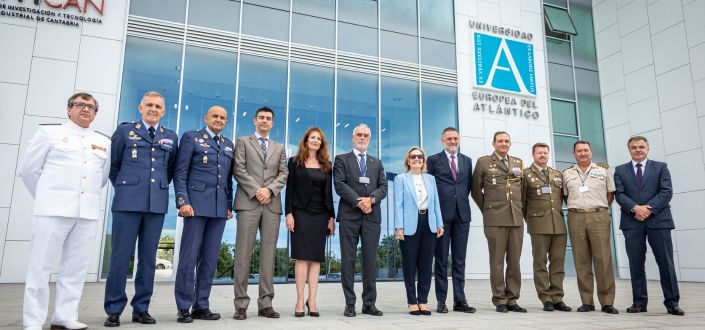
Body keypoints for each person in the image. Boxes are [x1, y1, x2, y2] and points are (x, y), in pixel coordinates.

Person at [18, 93, 110, 330]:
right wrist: (47, 196)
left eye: (90, 107)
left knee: (75, 268)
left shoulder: (103, 142)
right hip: (52, 210)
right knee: (40, 267)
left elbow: (102, 177)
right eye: (80, 105)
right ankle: (33, 321)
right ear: (69, 109)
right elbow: (28, 170)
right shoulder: (49, 134)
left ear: (95, 113)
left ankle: (64, 316)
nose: (85, 109)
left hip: (86, 212)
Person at [104, 91, 179, 327]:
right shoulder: (125, 131)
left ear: (164, 111)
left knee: (148, 259)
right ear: (140, 107)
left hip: (155, 205)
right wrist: (128, 188)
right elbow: (113, 167)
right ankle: (114, 309)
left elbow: (170, 170)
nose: (153, 109)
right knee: (120, 258)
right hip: (127, 203)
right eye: (149, 105)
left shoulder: (170, 137)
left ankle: (141, 308)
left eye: (158, 106)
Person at [173, 106, 235, 322]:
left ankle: (201, 305)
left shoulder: (228, 145)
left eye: (222, 118)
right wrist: (183, 201)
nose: (218, 120)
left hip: (218, 210)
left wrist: (229, 205)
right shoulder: (191, 138)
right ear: (206, 118)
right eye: (215, 116)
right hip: (195, 207)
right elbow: (180, 172)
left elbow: (228, 179)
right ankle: (183, 306)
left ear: (226, 122)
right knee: (189, 258)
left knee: (209, 259)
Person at [614, 136, 684, 316]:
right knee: (636, 263)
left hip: (659, 221)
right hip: (632, 222)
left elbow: (666, 192)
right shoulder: (620, 170)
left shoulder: (661, 167)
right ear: (629, 149)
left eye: (641, 147)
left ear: (648, 148)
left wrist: (648, 209)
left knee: (665, 263)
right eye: (634, 147)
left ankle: (672, 303)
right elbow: (620, 195)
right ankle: (639, 302)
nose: (638, 150)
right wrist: (635, 208)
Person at [232, 106, 288, 320]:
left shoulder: (279, 147)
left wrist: (269, 190)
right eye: (261, 118)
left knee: (268, 255)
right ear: (255, 120)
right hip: (248, 203)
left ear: (272, 123)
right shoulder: (243, 142)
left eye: (269, 118)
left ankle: (266, 303)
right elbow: (239, 169)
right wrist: (258, 191)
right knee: (243, 254)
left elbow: (283, 173)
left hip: (272, 205)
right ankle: (241, 305)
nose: (265, 121)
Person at [334, 123, 388, 317]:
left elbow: (383, 187)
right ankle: (350, 304)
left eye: (366, 135)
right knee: (348, 260)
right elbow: (339, 185)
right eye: (359, 134)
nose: (362, 138)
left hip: (372, 218)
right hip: (349, 216)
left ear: (369, 138)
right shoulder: (341, 160)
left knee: (370, 261)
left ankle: (369, 304)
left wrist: (371, 200)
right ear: (353, 137)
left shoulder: (377, 162)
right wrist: (359, 202)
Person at [471, 131, 526, 313]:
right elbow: (476, 190)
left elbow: (523, 191)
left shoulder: (518, 162)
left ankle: (512, 299)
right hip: (495, 218)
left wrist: (520, 210)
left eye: (507, 141)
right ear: (493, 143)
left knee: (515, 261)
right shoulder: (484, 162)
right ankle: (500, 300)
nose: (504, 143)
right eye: (500, 141)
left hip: (516, 218)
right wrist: (487, 209)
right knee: (497, 261)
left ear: (510, 144)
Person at [284, 127, 335, 317]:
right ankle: (299, 300)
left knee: (315, 259)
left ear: (321, 143)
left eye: (319, 139)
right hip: (300, 213)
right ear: (306, 141)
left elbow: (330, 193)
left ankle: (312, 300)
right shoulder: (294, 162)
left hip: (321, 214)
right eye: (312, 138)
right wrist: (288, 213)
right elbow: (289, 190)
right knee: (301, 257)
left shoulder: (327, 165)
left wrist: (331, 217)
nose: (315, 141)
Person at [563, 140, 618, 314]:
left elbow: (611, 194)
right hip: (576, 217)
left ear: (591, 151)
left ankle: (607, 301)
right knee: (581, 261)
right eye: (579, 151)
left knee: (603, 259)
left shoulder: (603, 171)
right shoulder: (567, 173)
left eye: (585, 150)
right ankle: (587, 301)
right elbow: (565, 196)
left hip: (599, 215)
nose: (583, 153)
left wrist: (598, 208)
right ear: (574, 154)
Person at [426, 127, 476, 314]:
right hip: (441, 217)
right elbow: (429, 186)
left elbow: (468, 187)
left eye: (455, 138)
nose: (452, 141)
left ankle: (460, 301)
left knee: (459, 260)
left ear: (459, 140)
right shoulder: (433, 160)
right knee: (440, 260)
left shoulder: (467, 161)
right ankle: (441, 301)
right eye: (449, 139)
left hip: (462, 216)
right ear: (442, 141)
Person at [394, 147, 444, 316]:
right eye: (413, 156)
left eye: (420, 157)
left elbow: (436, 202)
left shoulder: (430, 179)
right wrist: (398, 227)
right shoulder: (401, 179)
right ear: (408, 160)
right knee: (409, 265)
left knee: (425, 265)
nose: (417, 159)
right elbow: (398, 205)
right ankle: (412, 302)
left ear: (423, 160)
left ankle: (423, 300)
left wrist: (439, 223)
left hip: (428, 223)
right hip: (409, 225)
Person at [522, 143, 571, 312]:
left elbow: (563, 198)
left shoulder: (557, 174)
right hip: (538, 225)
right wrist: (530, 219)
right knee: (540, 263)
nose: (542, 155)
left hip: (558, 225)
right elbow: (522, 202)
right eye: (539, 153)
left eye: (545, 153)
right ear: (533, 154)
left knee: (558, 264)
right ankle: (545, 298)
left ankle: (557, 297)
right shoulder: (526, 174)